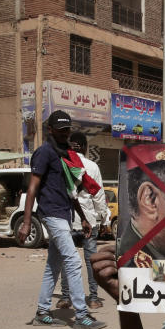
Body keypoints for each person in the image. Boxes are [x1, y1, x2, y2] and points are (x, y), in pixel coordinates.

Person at [18, 110, 107, 329]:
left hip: (64, 214)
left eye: (67, 129)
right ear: (51, 130)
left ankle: (42, 312)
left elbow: (69, 190)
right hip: (51, 214)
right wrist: (27, 222)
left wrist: (84, 217)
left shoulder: (63, 153)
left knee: (53, 266)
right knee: (73, 261)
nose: (65, 133)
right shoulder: (44, 153)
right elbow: (32, 188)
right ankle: (81, 315)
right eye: (61, 130)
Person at [54, 131, 111, 311]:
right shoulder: (92, 166)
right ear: (85, 148)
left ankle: (65, 298)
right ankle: (93, 299)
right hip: (89, 220)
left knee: (66, 261)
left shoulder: (62, 164)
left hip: (68, 221)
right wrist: (104, 219)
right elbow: (98, 195)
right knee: (91, 261)